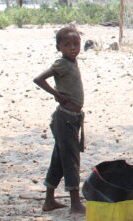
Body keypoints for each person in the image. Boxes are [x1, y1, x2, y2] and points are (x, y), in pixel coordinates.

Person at [33, 25, 86, 215]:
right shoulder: (62, 64)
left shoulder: (72, 62)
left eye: (76, 43)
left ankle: (49, 200)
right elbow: (39, 79)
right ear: (59, 47)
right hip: (65, 119)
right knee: (71, 160)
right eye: (67, 45)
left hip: (72, 118)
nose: (73, 48)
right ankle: (75, 203)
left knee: (59, 158)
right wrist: (58, 95)